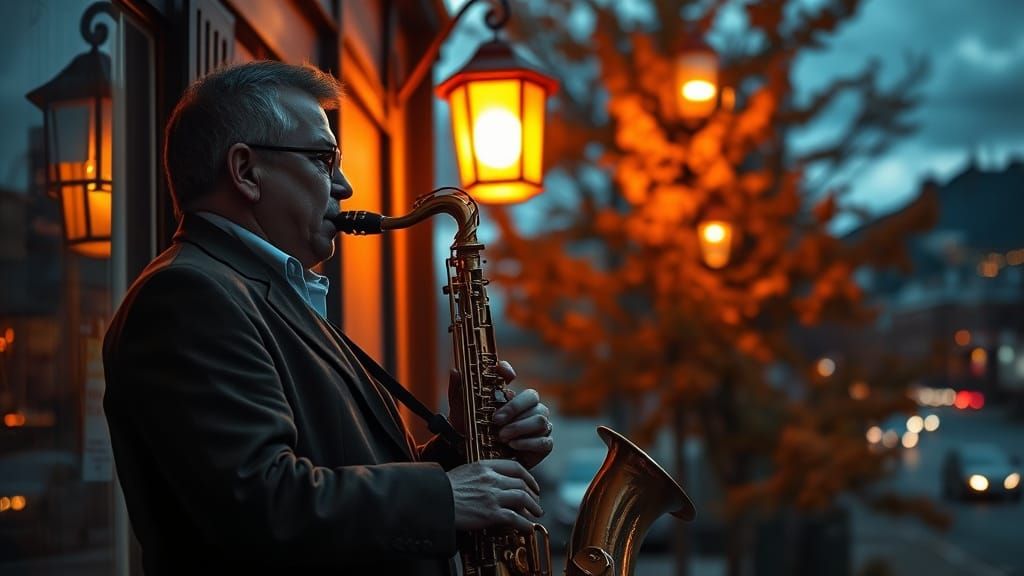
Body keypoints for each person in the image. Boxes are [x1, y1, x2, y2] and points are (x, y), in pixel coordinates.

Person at [103, 60, 554, 575]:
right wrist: (444, 495)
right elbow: (258, 505)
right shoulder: (187, 295)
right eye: (323, 159)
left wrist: (468, 450)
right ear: (246, 170)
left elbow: (335, 480)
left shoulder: (260, 292)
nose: (344, 186)